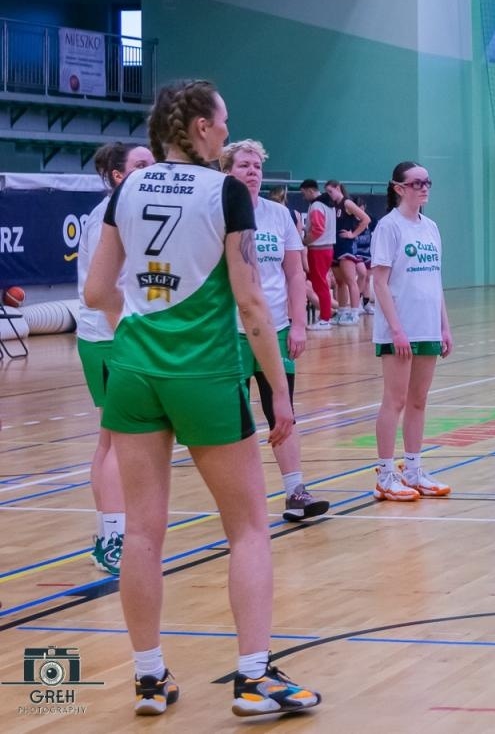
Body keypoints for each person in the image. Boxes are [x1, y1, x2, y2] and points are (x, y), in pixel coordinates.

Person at [84, 79, 321, 718]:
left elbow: (96, 290)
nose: (226, 132)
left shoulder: (128, 187)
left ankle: (150, 678)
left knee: (142, 533)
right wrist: (278, 389)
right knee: (247, 528)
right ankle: (252, 678)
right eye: (221, 123)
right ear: (198, 129)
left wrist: (135, 332)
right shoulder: (224, 192)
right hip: (206, 374)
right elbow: (249, 303)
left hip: (133, 369)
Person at [221, 140, 330, 524]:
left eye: (257, 166)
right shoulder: (215, 213)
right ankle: (240, 500)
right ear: (227, 171)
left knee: (282, 411)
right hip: (229, 332)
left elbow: (294, 274)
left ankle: (295, 492)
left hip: (275, 330)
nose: (252, 172)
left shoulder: (279, 215)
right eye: (244, 166)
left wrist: (298, 324)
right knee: (232, 421)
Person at [76, 140, 154, 576]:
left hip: (119, 333)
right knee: (115, 442)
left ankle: (109, 534)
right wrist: (126, 336)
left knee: (109, 440)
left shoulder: (134, 213)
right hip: (109, 337)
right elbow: (103, 290)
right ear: (120, 175)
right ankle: (113, 539)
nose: (152, 168)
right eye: (142, 163)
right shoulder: (107, 216)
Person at [370, 162, 453, 501]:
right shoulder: (388, 227)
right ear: (399, 188)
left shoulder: (431, 227)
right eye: (416, 183)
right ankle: (385, 474)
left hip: (427, 327)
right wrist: (396, 329)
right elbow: (379, 280)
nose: (423, 187)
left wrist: (444, 326)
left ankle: (414, 469)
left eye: (427, 182)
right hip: (399, 330)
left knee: (418, 401)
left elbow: (435, 282)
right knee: (396, 400)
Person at [326, 181, 371, 326]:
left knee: (351, 281)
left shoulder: (347, 203)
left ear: (338, 188)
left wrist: (353, 234)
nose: (329, 195)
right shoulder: (333, 206)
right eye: (327, 193)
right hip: (335, 245)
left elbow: (365, 219)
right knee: (340, 282)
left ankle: (354, 312)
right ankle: (342, 311)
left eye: (330, 191)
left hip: (346, 246)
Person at [298, 179, 335, 330]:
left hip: (319, 249)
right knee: (320, 284)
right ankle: (326, 315)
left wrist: (305, 241)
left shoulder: (316, 206)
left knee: (320, 285)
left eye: (303, 193)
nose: (303, 197)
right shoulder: (329, 205)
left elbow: (318, 230)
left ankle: (325, 318)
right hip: (327, 248)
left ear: (310, 190)